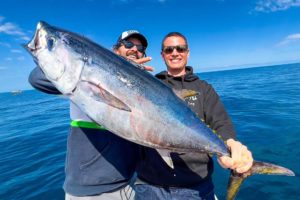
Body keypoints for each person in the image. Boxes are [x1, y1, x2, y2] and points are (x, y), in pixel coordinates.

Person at [28, 30, 151, 200]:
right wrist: (115, 65)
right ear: (116, 50)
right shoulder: (82, 77)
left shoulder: (143, 88)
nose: (135, 50)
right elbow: (36, 78)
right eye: (128, 44)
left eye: (140, 47)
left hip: (129, 180)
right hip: (93, 188)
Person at [134, 32, 253, 200]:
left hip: (195, 188)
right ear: (162, 55)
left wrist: (231, 144)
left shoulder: (204, 89)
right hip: (150, 185)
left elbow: (221, 123)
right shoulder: (150, 85)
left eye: (180, 48)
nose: (175, 53)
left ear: (187, 53)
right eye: (169, 50)